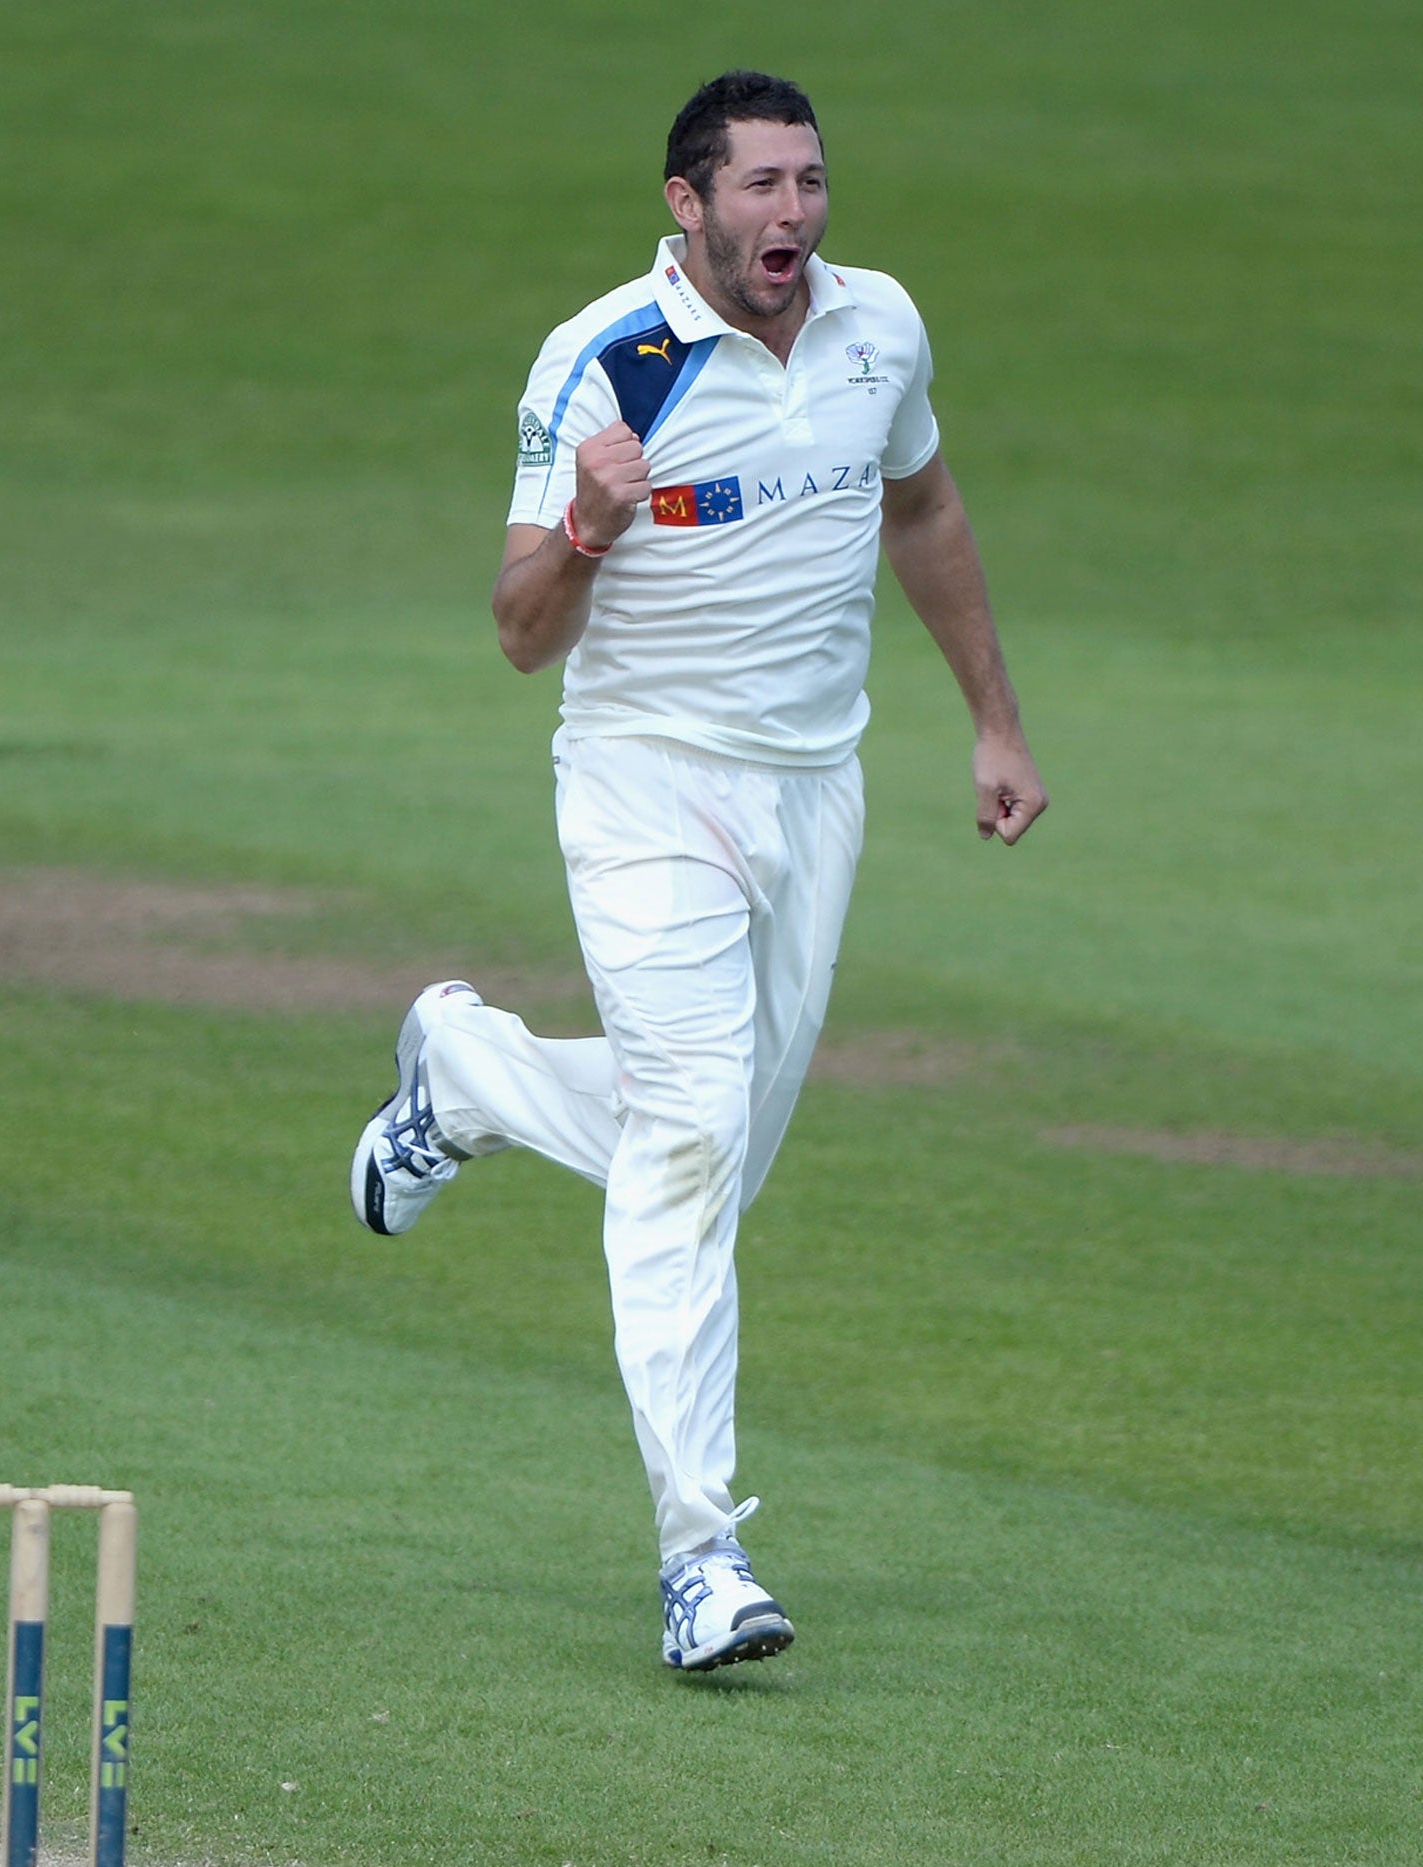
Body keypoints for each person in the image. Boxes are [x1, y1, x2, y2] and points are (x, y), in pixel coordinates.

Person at [350, 70, 1046, 1673]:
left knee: (721, 1143)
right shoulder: (608, 362)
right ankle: (702, 1552)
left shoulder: (881, 329)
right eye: (757, 188)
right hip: (645, 783)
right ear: (688, 204)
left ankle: (464, 1069)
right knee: (686, 1150)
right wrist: (587, 530)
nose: (791, 214)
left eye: (808, 183)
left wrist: (994, 722)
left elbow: (923, 504)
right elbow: (524, 636)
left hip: (816, 792)